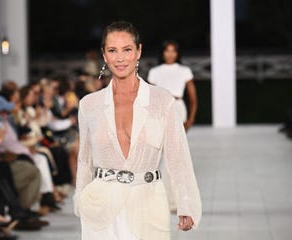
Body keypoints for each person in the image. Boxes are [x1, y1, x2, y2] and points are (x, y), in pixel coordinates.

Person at [73, 21, 201, 240]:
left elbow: (177, 156)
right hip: (101, 206)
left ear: (139, 51)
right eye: (112, 50)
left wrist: (185, 203)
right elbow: (85, 160)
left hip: (148, 203)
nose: (120, 58)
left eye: (127, 50)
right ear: (104, 55)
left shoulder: (162, 101)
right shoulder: (89, 105)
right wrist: (80, 199)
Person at [147, 40, 197, 131]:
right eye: (167, 51)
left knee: (178, 143)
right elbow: (150, 97)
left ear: (177, 53)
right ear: (163, 53)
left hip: (178, 106)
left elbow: (192, 98)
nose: (170, 54)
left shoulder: (185, 71)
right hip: (161, 108)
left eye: (173, 51)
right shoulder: (154, 71)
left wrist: (191, 119)